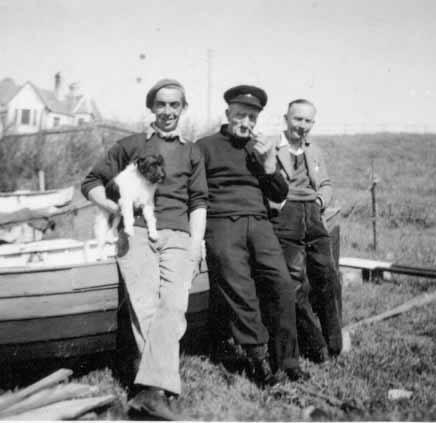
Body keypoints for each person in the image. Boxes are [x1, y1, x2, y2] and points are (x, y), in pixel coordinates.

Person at [81, 79, 208, 420]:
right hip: (136, 234)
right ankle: (155, 392)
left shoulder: (193, 151)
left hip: (179, 235)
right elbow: (91, 183)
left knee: (174, 306)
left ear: (183, 109)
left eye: (175, 105)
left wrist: (196, 245)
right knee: (145, 308)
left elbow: (198, 202)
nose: (168, 111)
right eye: (161, 104)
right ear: (151, 108)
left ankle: (147, 391)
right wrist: (117, 208)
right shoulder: (131, 144)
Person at [197, 85, 309, 387]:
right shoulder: (204, 146)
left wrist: (270, 164)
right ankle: (259, 359)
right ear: (227, 114)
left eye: (251, 118)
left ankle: (288, 360)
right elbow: (193, 194)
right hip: (221, 225)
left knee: (283, 285)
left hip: (259, 224)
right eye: (240, 115)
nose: (245, 123)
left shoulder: (260, 148)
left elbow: (280, 193)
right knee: (241, 290)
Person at [269, 99, 342, 363]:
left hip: (313, 214)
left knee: (328, 276)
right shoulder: (270, 148)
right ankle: (316, 345)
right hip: (285, 217)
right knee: (295, 282)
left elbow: (325, 183)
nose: (302, 126)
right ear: (286, 118)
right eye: (297, 119)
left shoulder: (314, 150)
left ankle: (335, 343)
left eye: (308, 121)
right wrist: (279, 204)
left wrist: (320, 201)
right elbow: (262, 184)